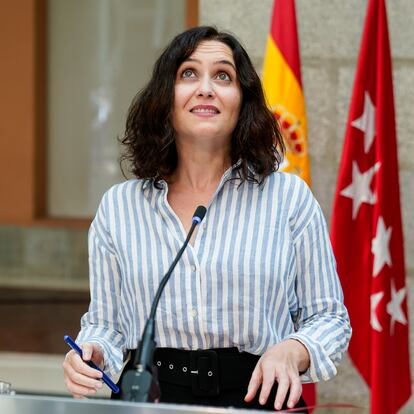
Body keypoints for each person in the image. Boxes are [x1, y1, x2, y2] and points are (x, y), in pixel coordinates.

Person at [63, 26, 351, 411]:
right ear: (165, 98)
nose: (206, 88)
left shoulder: (288, 198)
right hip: (151, 397)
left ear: (241, 100)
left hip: (257, 395)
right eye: (188, 74)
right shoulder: (119, 208)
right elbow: (107, 325)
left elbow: (330, 318)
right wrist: (93, 354)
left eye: (223, 76)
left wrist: (294, 349)